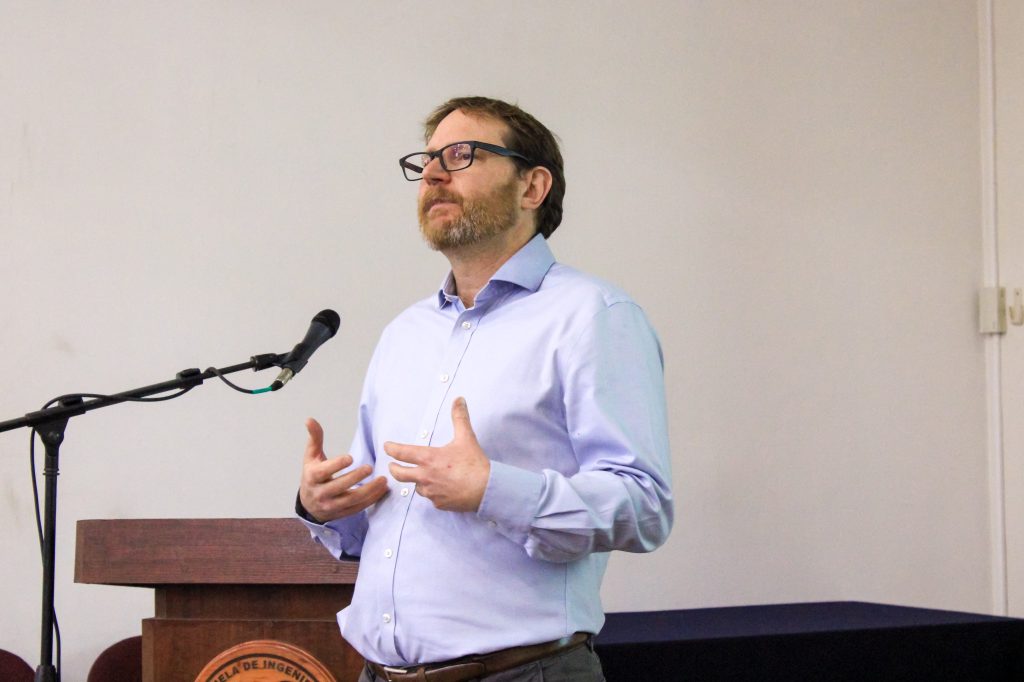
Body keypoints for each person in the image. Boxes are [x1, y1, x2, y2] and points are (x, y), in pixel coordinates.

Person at [297, 96, 673, 682]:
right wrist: (323, 506)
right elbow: (376, 513)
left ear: (532, 187)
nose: (434, 174)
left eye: (462, 154)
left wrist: (495, 490)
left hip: (523, 673)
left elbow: (644, 506)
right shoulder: (404, 334)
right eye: (426, 162)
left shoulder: (593, 316)